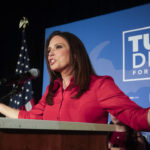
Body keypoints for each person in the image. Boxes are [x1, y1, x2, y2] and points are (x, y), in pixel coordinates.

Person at [0, 30, 150, 132]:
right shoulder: (52, 90)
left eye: (58, 47)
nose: (50, 52)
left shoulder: (100, 85)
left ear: (76, 54)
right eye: (48, 50)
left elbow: (135, 116)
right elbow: (30, 117)